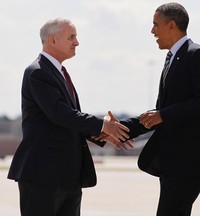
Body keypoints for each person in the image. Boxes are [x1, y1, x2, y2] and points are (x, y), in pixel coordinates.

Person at [107, 3, 200, 215]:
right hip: (175, 161)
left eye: (155, 25)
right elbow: (160, 113)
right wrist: (118, 128)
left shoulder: (196, 54)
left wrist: (162, 115)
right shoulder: (173, 58)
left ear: (172, 25)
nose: (152, 31)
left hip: (189, 160)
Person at [7, 18, 133, 216]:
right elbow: (61, 114)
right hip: (43, 176)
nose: (77, 42)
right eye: (71, 37)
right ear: (52, 40)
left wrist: (102, 134)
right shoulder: (37, 72)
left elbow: (68, 121)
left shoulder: (58, 72)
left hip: (67, 177)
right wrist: (103, 126)